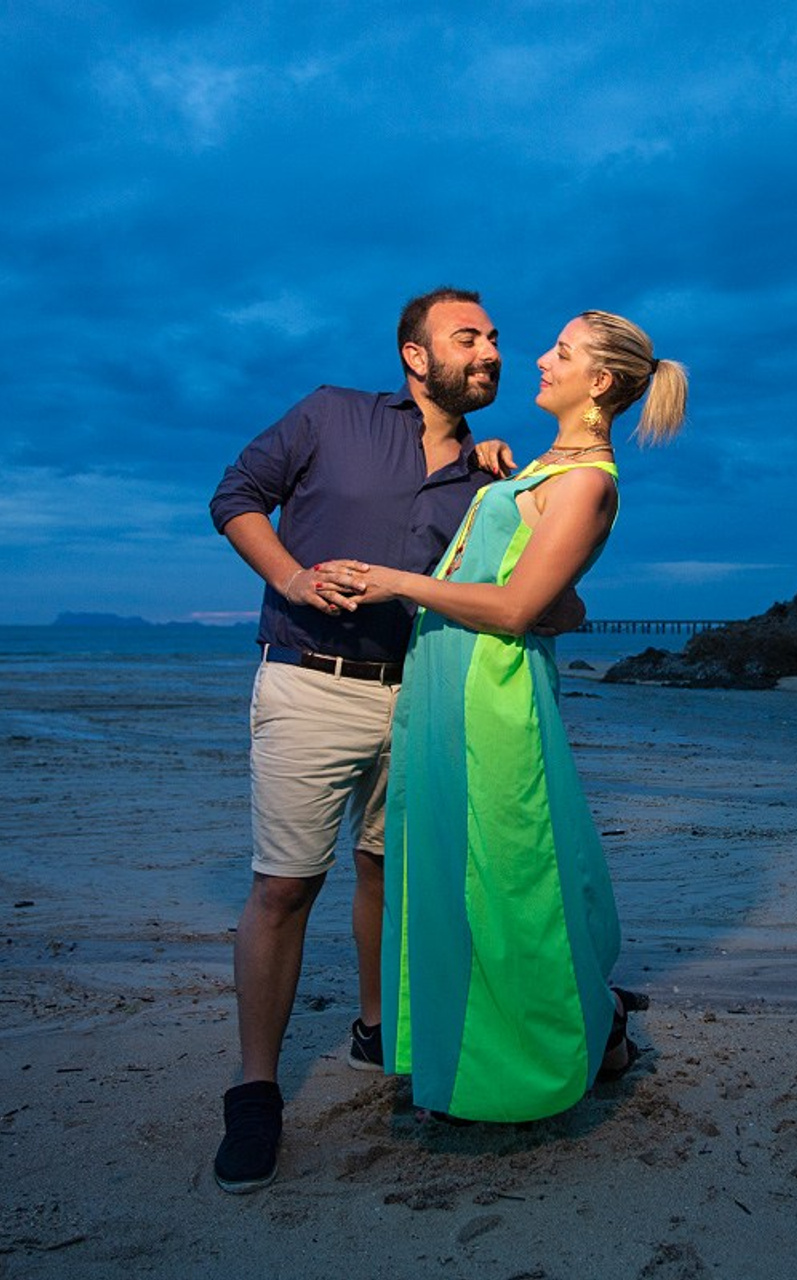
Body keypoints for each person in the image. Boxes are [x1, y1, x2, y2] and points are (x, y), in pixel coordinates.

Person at [207, 287, 581, 1193]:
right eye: (469, 338)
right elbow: (235, 497)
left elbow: (533, 599)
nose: (490, 352)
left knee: (392, 873)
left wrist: (503, 481)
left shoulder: (495, 479)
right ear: (416, 355)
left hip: (422, 702)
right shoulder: (331, 413)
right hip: (308, 683)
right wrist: (292, 579)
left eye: (494, 338)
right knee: (285, 887)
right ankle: (256, 1092)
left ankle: (380, 1028)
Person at [319, 310, 687, 1122]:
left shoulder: (589, 481)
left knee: (510, 880)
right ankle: (484, 1044)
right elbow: (513, 552)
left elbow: (521, 607)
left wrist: (397, 582)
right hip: (447, 687)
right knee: (455, 874)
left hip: (495, 695)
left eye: (561, 353)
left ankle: (558, 1049)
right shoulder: (541, 466)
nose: (540, 361)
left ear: (598, 383)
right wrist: (490, 474)